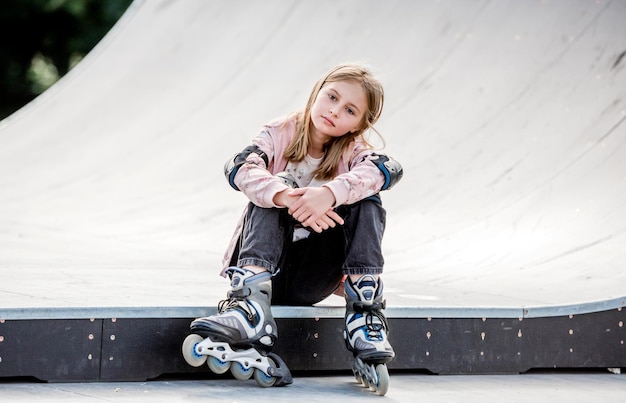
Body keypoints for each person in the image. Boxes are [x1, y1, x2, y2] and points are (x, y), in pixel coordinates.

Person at [190, 63, 403, 374]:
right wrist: (286, 198)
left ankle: (364, 314)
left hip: (311, 278)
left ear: (357, 125)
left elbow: (388, 169)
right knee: (269, 188)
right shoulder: (279, 133)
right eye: (331, 97)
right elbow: (239, 168)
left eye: (349, 110)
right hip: (266, 269)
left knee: (366, 196)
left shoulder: (353, 151)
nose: (334, 111)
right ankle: (249, 305)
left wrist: (328, 195)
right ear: (317, 91)